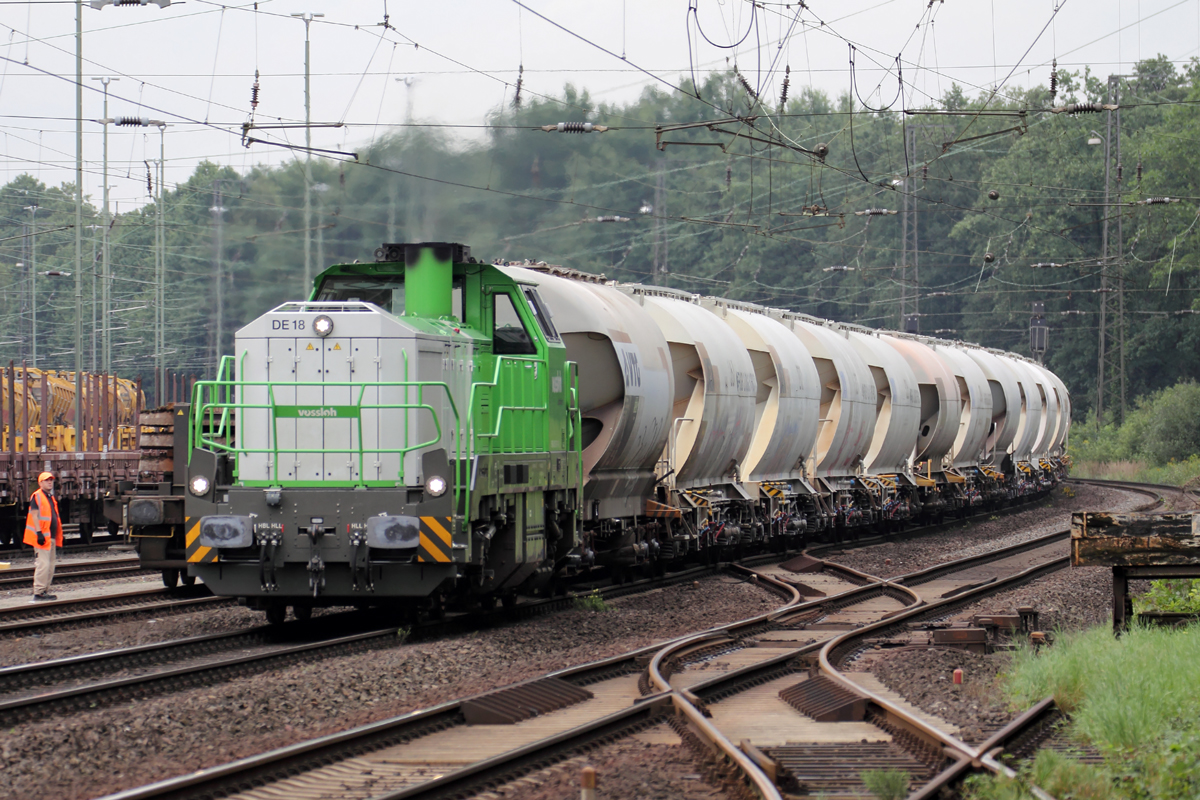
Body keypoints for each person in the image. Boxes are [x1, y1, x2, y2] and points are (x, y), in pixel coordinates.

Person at [24, 471, 62, 601]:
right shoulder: (37, 496)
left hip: (51, 537)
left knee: (50, 566)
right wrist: (39, 533)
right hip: (43, 538)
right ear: (40, 483)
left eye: (51, 480)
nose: (50, 482)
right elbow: (34, 515)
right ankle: (39, 592)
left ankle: (44, 591)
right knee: (43, 565)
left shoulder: (50, 497)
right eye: (47, 480)